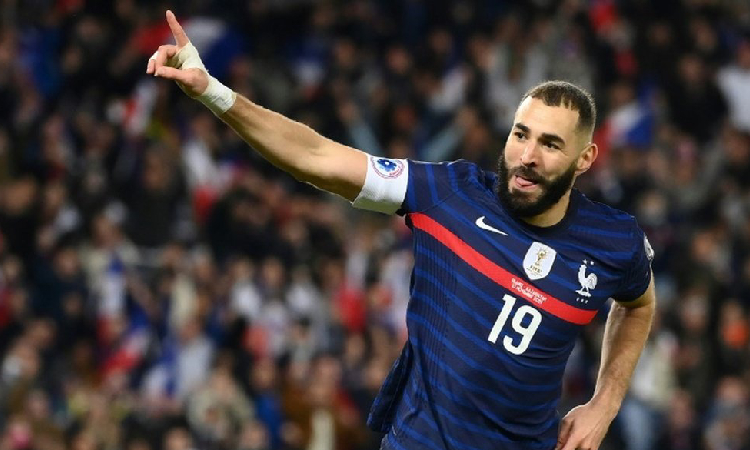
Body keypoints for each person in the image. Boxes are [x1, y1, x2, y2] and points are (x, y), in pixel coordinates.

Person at [146, 11, 656, 450]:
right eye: (520, 135)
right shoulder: (449, 194)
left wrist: (605, 401)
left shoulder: (613, 241)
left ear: (585, 158)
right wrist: (213, 92)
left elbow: (638, 305)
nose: (527, 156)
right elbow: (316, 156)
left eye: (550, 144)